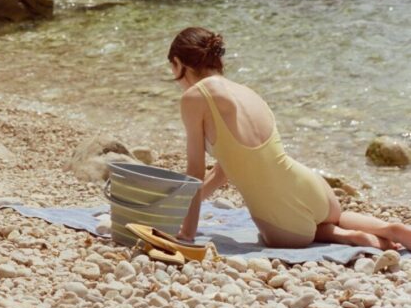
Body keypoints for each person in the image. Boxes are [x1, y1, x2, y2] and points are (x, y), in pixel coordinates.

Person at [169, 26, 411, 250]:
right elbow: (224, 171)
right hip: (316, 191)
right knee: (333, 218)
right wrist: (182, 210)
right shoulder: (246, 92)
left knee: (303, 231)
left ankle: (344, 236)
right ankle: (387, 229)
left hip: (282, 220)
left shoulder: (194, 98)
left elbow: (195, 172)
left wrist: (187, 233)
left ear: (179, 63)